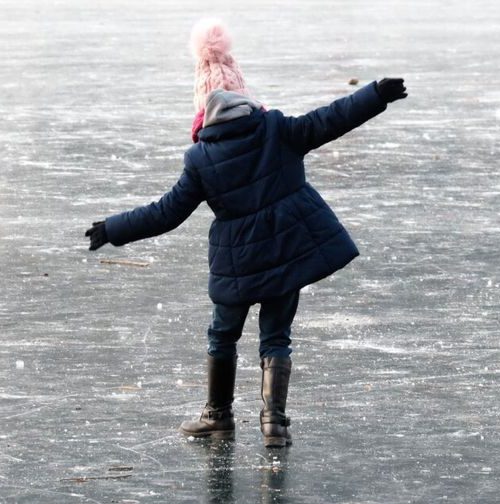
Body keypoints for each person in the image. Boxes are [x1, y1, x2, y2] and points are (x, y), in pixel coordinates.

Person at [85, 19, 407, 447]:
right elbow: (330, 119)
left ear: (203, 112)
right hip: (287, 251)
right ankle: (274, 424)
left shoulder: (201, 158)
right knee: (276, 336)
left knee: (223, 334)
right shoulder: (277, 130)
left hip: (237, 263)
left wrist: (112, 228)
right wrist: (375, 94)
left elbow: (166, 212)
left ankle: (217, 416)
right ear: (246, 98)